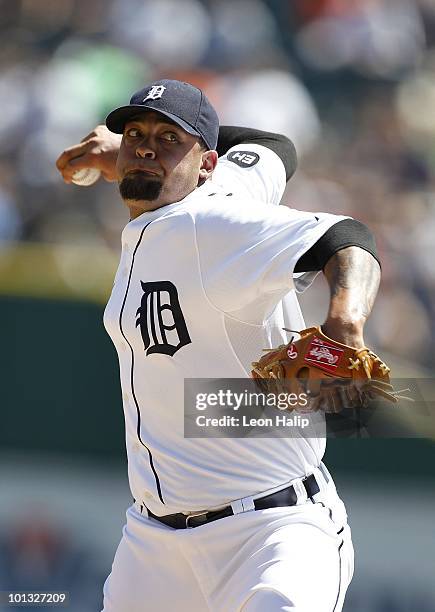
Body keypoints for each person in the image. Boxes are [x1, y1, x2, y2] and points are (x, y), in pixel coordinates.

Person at [56, 79, 381, 612]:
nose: (144, 146)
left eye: (167, 138)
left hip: (270, 535)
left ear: (205, 164)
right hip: (154, 547)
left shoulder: (212, 222)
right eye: (136, 133)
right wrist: (151, 154)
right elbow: (275, 146)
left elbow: (348, 235)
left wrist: (345, 319)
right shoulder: (227, 185)